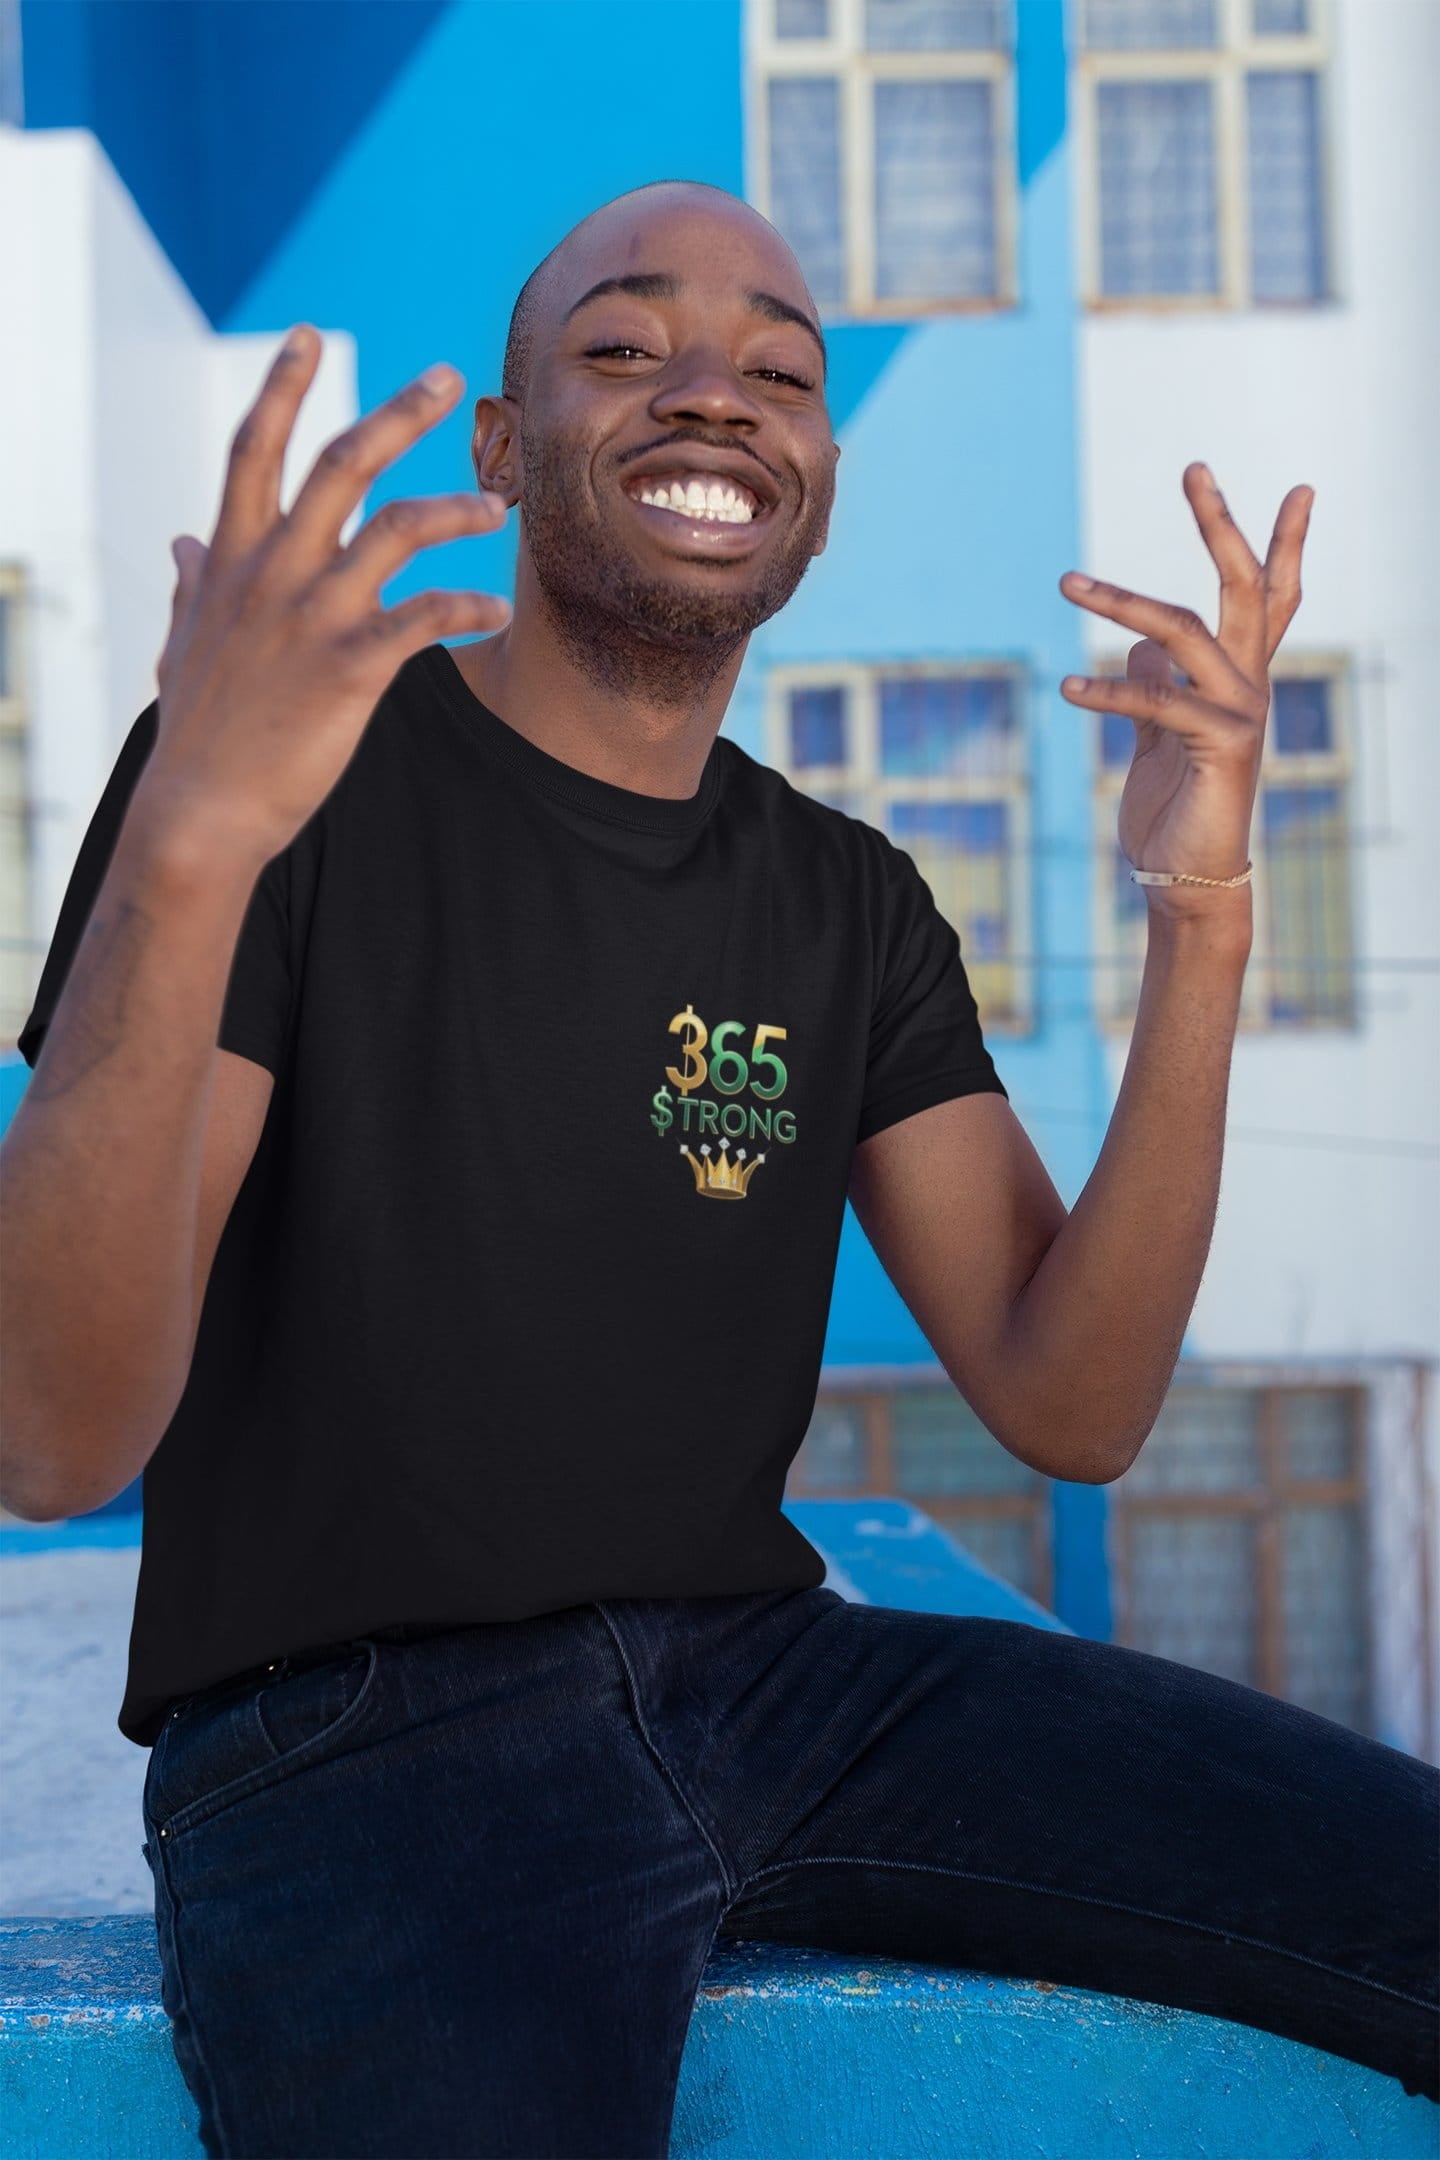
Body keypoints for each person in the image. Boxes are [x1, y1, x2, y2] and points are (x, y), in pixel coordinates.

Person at [2, 180, 1434, 2158]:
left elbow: (1073, 1399)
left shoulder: (845, 898)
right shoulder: (272, 773)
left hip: (779, 1687)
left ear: (822, 473)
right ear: (505, 447)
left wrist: (1201, 909)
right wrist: (185, 842)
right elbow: (52, 1441)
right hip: (357, 1741)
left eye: (779, 369)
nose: (712, 396)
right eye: (621, 348)